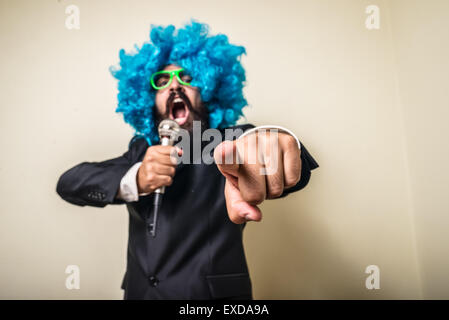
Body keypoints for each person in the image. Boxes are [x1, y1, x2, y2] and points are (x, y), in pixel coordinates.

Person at [56, 21, 319, 300]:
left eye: (188, 78)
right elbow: (70, 183)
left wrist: (276, 145)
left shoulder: (226, 142)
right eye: (162, 81)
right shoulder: (140, 151)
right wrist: (136, 178)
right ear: (148, 99)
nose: (175, 87)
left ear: (209, 90)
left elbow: (264, 149)